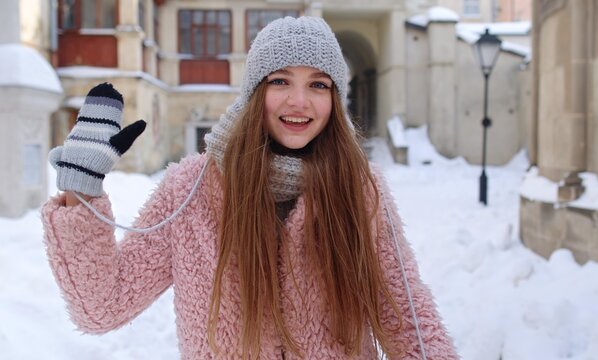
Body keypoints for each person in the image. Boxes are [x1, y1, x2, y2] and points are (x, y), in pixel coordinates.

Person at [42, 16, 458, 359]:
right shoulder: (191, 190)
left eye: (318, 84)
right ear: (254, 93)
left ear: (335, 98)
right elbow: (103, 306)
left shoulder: (360, 190)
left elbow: (408, 320)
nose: (300, 101)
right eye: (280, 81)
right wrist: (80, 191)